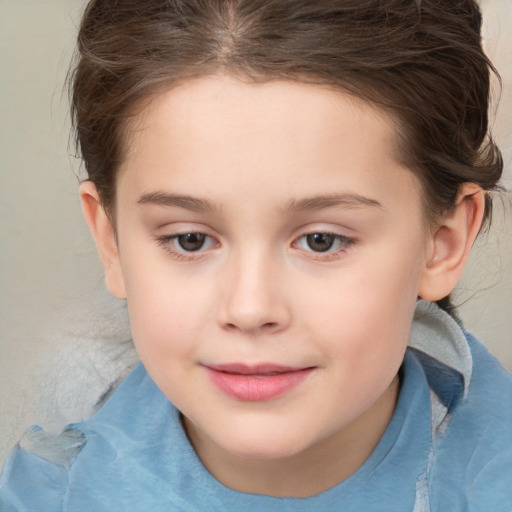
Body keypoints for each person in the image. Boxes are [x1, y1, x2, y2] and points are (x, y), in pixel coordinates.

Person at [1, 0, 511, 510]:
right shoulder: (46, 495)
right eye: (190, 240)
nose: (250, 309)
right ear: (111, 241)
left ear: (442, 242)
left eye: (321, 240)